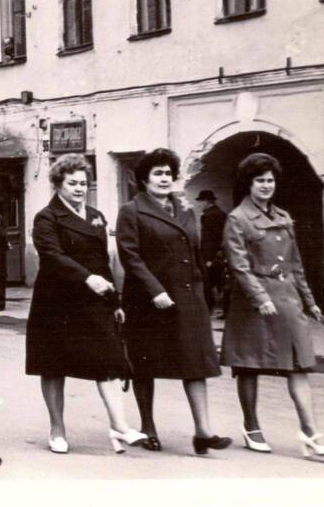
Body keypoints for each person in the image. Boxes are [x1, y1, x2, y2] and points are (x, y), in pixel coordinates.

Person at [27, 154, 146, 454]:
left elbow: (103, 260)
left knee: (109, 358)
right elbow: (53, 257)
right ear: (58, 184)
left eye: (84, 183)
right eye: (73, 183)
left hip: (93, 301)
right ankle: (57, 428)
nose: (80, 188)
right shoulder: (46, 217)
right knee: (53, 366)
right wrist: (86, 278)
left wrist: (113, 299)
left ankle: (119, 425)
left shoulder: (96, 216)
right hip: (55, 302)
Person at [116, 148, 230, 455]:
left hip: (187, 297)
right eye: (158, 173)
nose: (164, 179)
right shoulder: (132, 210)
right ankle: (148, 427)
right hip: (148, 300)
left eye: (168, 173)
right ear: (144, 179)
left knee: (196, 362)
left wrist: (203, 294)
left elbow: (194, 254)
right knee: (145, 364)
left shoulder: (185, 209)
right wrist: (155, 290)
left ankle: (203, 432)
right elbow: (130, 256)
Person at [219, 153, 324, 457]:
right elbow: (239, 266)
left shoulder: (283, 216)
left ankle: (310, 432)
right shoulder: (237, 219)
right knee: (249, 365)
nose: (267, 185)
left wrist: (310, 302)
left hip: (287, 299)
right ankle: (251, 426)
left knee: (299, 365)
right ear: (249, 183)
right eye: (260, 180)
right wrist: (261, 297)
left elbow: (295, 266)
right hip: (253, 303)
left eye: (270, 180)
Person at [196, 190, 228, 313]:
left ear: (207, 201)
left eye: (200, 201)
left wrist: (208, 258)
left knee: (209, 282)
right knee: (218, 282)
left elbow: (211, 238)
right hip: (218, 254)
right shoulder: (218, 213)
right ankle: (223, 310)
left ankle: (208, 309)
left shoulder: (211, 215)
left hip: (212, 255)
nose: (198, 204)